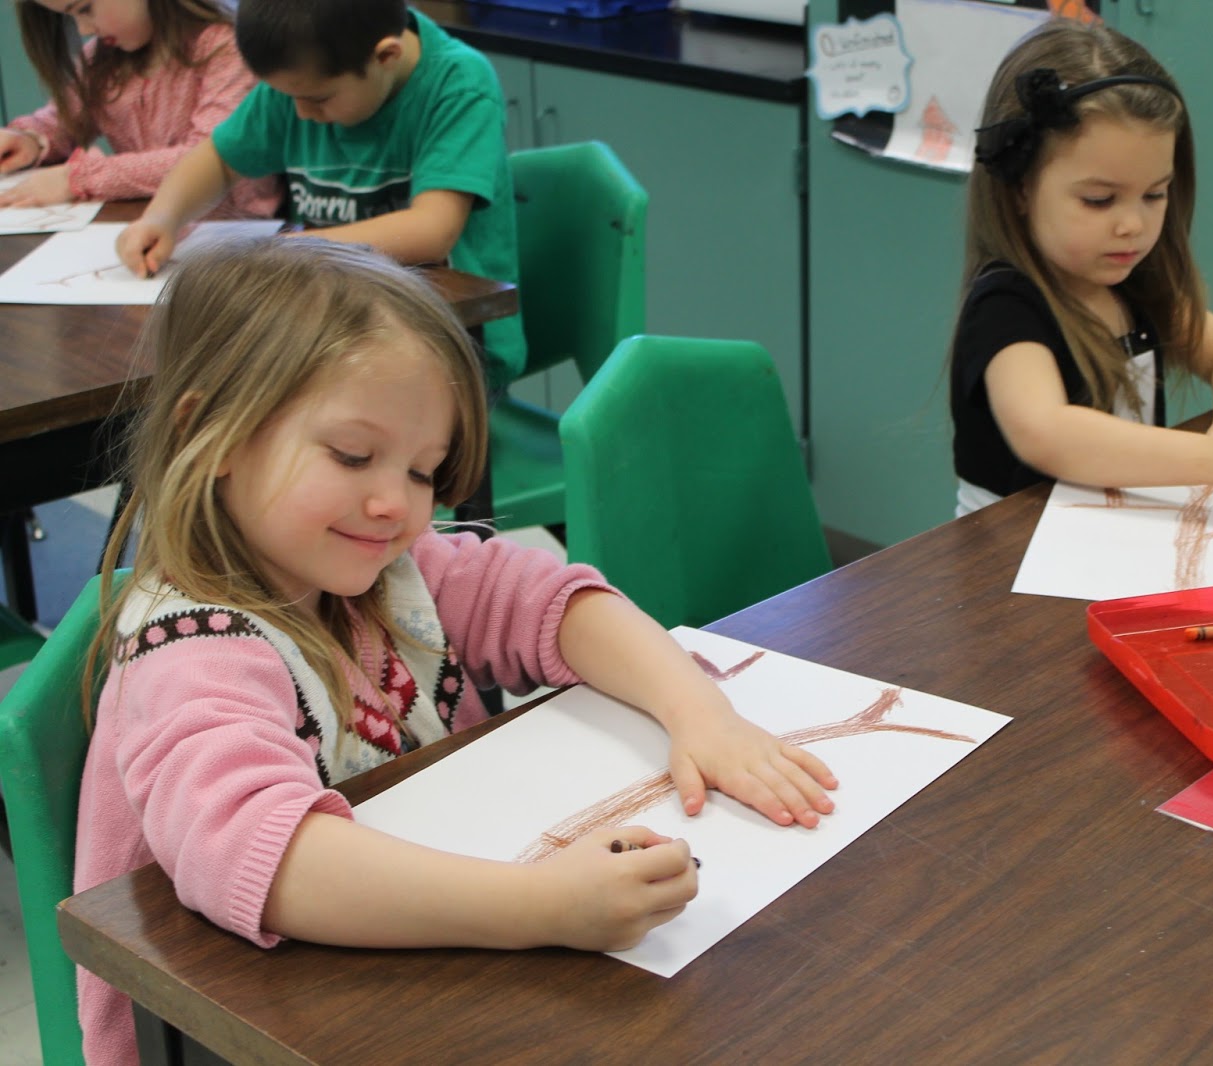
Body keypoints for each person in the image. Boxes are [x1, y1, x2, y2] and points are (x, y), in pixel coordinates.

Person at [76, 237, 838, 1066]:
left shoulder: (379, 568)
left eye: (424, 471)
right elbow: (269, 856)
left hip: (414, 978)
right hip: (224, 1034)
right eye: (354, 456)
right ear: (212, 434)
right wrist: (541, 907)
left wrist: (701, 714)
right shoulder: (190, 651)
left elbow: (555, 604)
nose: (394, 506)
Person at [949, 20, 1213, 517]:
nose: (1133, 224)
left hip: (1113, 544)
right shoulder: (1005, 306)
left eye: (1154, 194)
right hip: (1006, 569)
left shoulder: (1132, 287)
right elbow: (1047, 433)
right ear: (1020, 189)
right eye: (1099, 199)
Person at [112, 0, 525, 392]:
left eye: (318, 100)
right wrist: (162, 218)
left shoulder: (459, 86)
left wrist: (293, 249)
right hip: (335, 326)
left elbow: (432, 229)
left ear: (386, 57)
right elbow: (219, 159)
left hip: (450, 347)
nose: (301, 114)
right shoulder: (303, 79)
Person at [0, 0, 280, 217]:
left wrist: (78, 178)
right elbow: (61, 121)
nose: (84, 29)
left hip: (234, 244)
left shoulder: (227, 48)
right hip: (150, 233)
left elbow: (209, 160)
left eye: (85, 8)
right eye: (68, 16)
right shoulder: (102, 57)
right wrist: (31, 141)